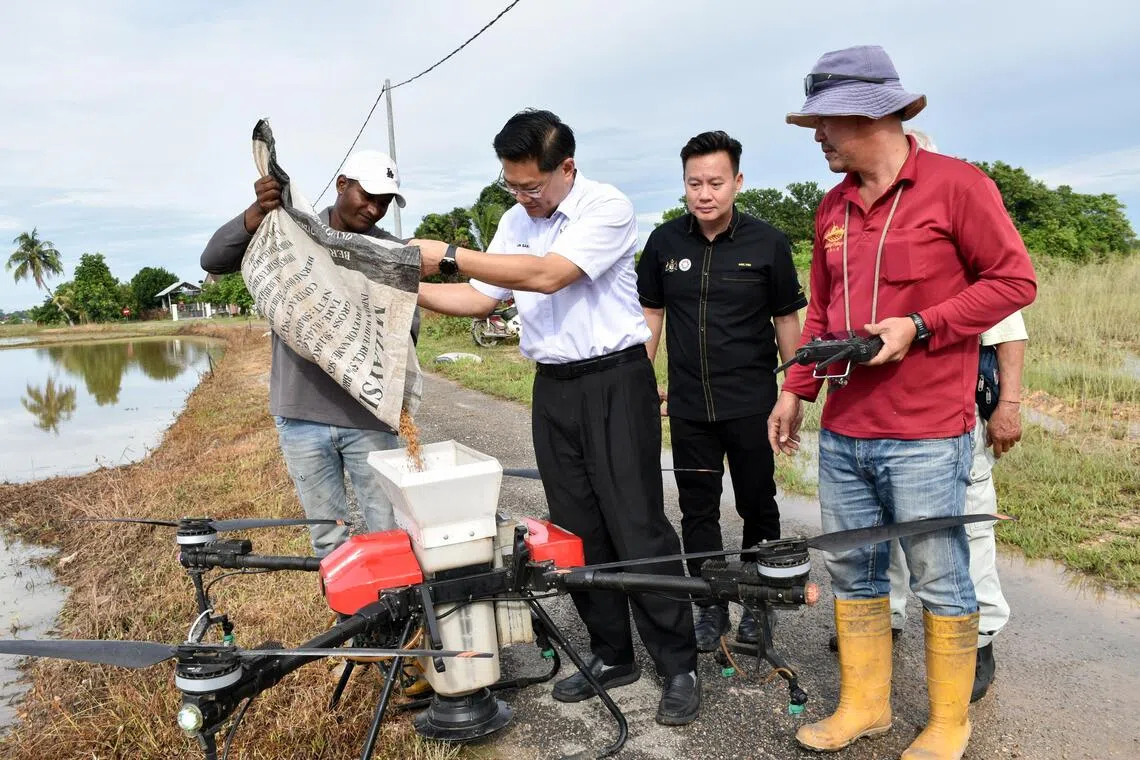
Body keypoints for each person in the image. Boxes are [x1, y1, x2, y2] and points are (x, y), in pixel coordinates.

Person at [768, 46, 1036, 759]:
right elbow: (822, 312)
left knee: (940, 575)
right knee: (854, 571)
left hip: (925, 432)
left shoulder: (958, 186)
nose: (817, 137)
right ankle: (866, 705)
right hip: (846, 432)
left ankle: (949, 722)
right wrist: (796, 391)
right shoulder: (831, 205)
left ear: (869, 113)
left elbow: (1014, 282)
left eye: (824, 123)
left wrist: (920, 326)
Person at [413, 108, 701, 726]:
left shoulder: (607, 207)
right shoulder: (514, 221)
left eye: (532, 186)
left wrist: (450, 253)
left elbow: (548, 276)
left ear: (566, 167)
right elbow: (479, 298)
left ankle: (677, 663)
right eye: (511, 185)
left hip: (615, 381)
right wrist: (405, 287)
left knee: (637, 523)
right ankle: (611, 653)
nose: (522, 197)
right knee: (576, 525)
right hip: (554, 388)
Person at [201, 150, 417, 558]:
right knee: (328, 538)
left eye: (385, 202)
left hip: (369, 418)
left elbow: (406, 332)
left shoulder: (390, 251)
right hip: (302, 417)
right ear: (342, 185)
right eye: (367, 196)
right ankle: (351, 619)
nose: (374, 209)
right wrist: (256, 211)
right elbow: (213, 259)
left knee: (388, 532)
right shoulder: (295, 231)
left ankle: (396, 618)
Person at [636, 130, 805, 651]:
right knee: (697, 509)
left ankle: (758, 602)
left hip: (752, 404)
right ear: (683, 184)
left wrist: (793, 391)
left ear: (737, 182)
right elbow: (651, 316)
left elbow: (786, 320)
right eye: (694, 183)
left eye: (715, 182)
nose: (704, 193)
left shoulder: (768, 242)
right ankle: (709, 605)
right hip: (688, 407)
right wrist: (644, 385)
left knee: (759, 504)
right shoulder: (665, 242)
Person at [883, 130, 1028, 705]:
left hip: (955, 413)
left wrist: (1008, 406)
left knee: (968, 523)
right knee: (885, 526)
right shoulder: (868, 232)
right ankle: (887, 618)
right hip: (886, 416)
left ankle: (982, 633)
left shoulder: (960, 232)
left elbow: (1009, 326)